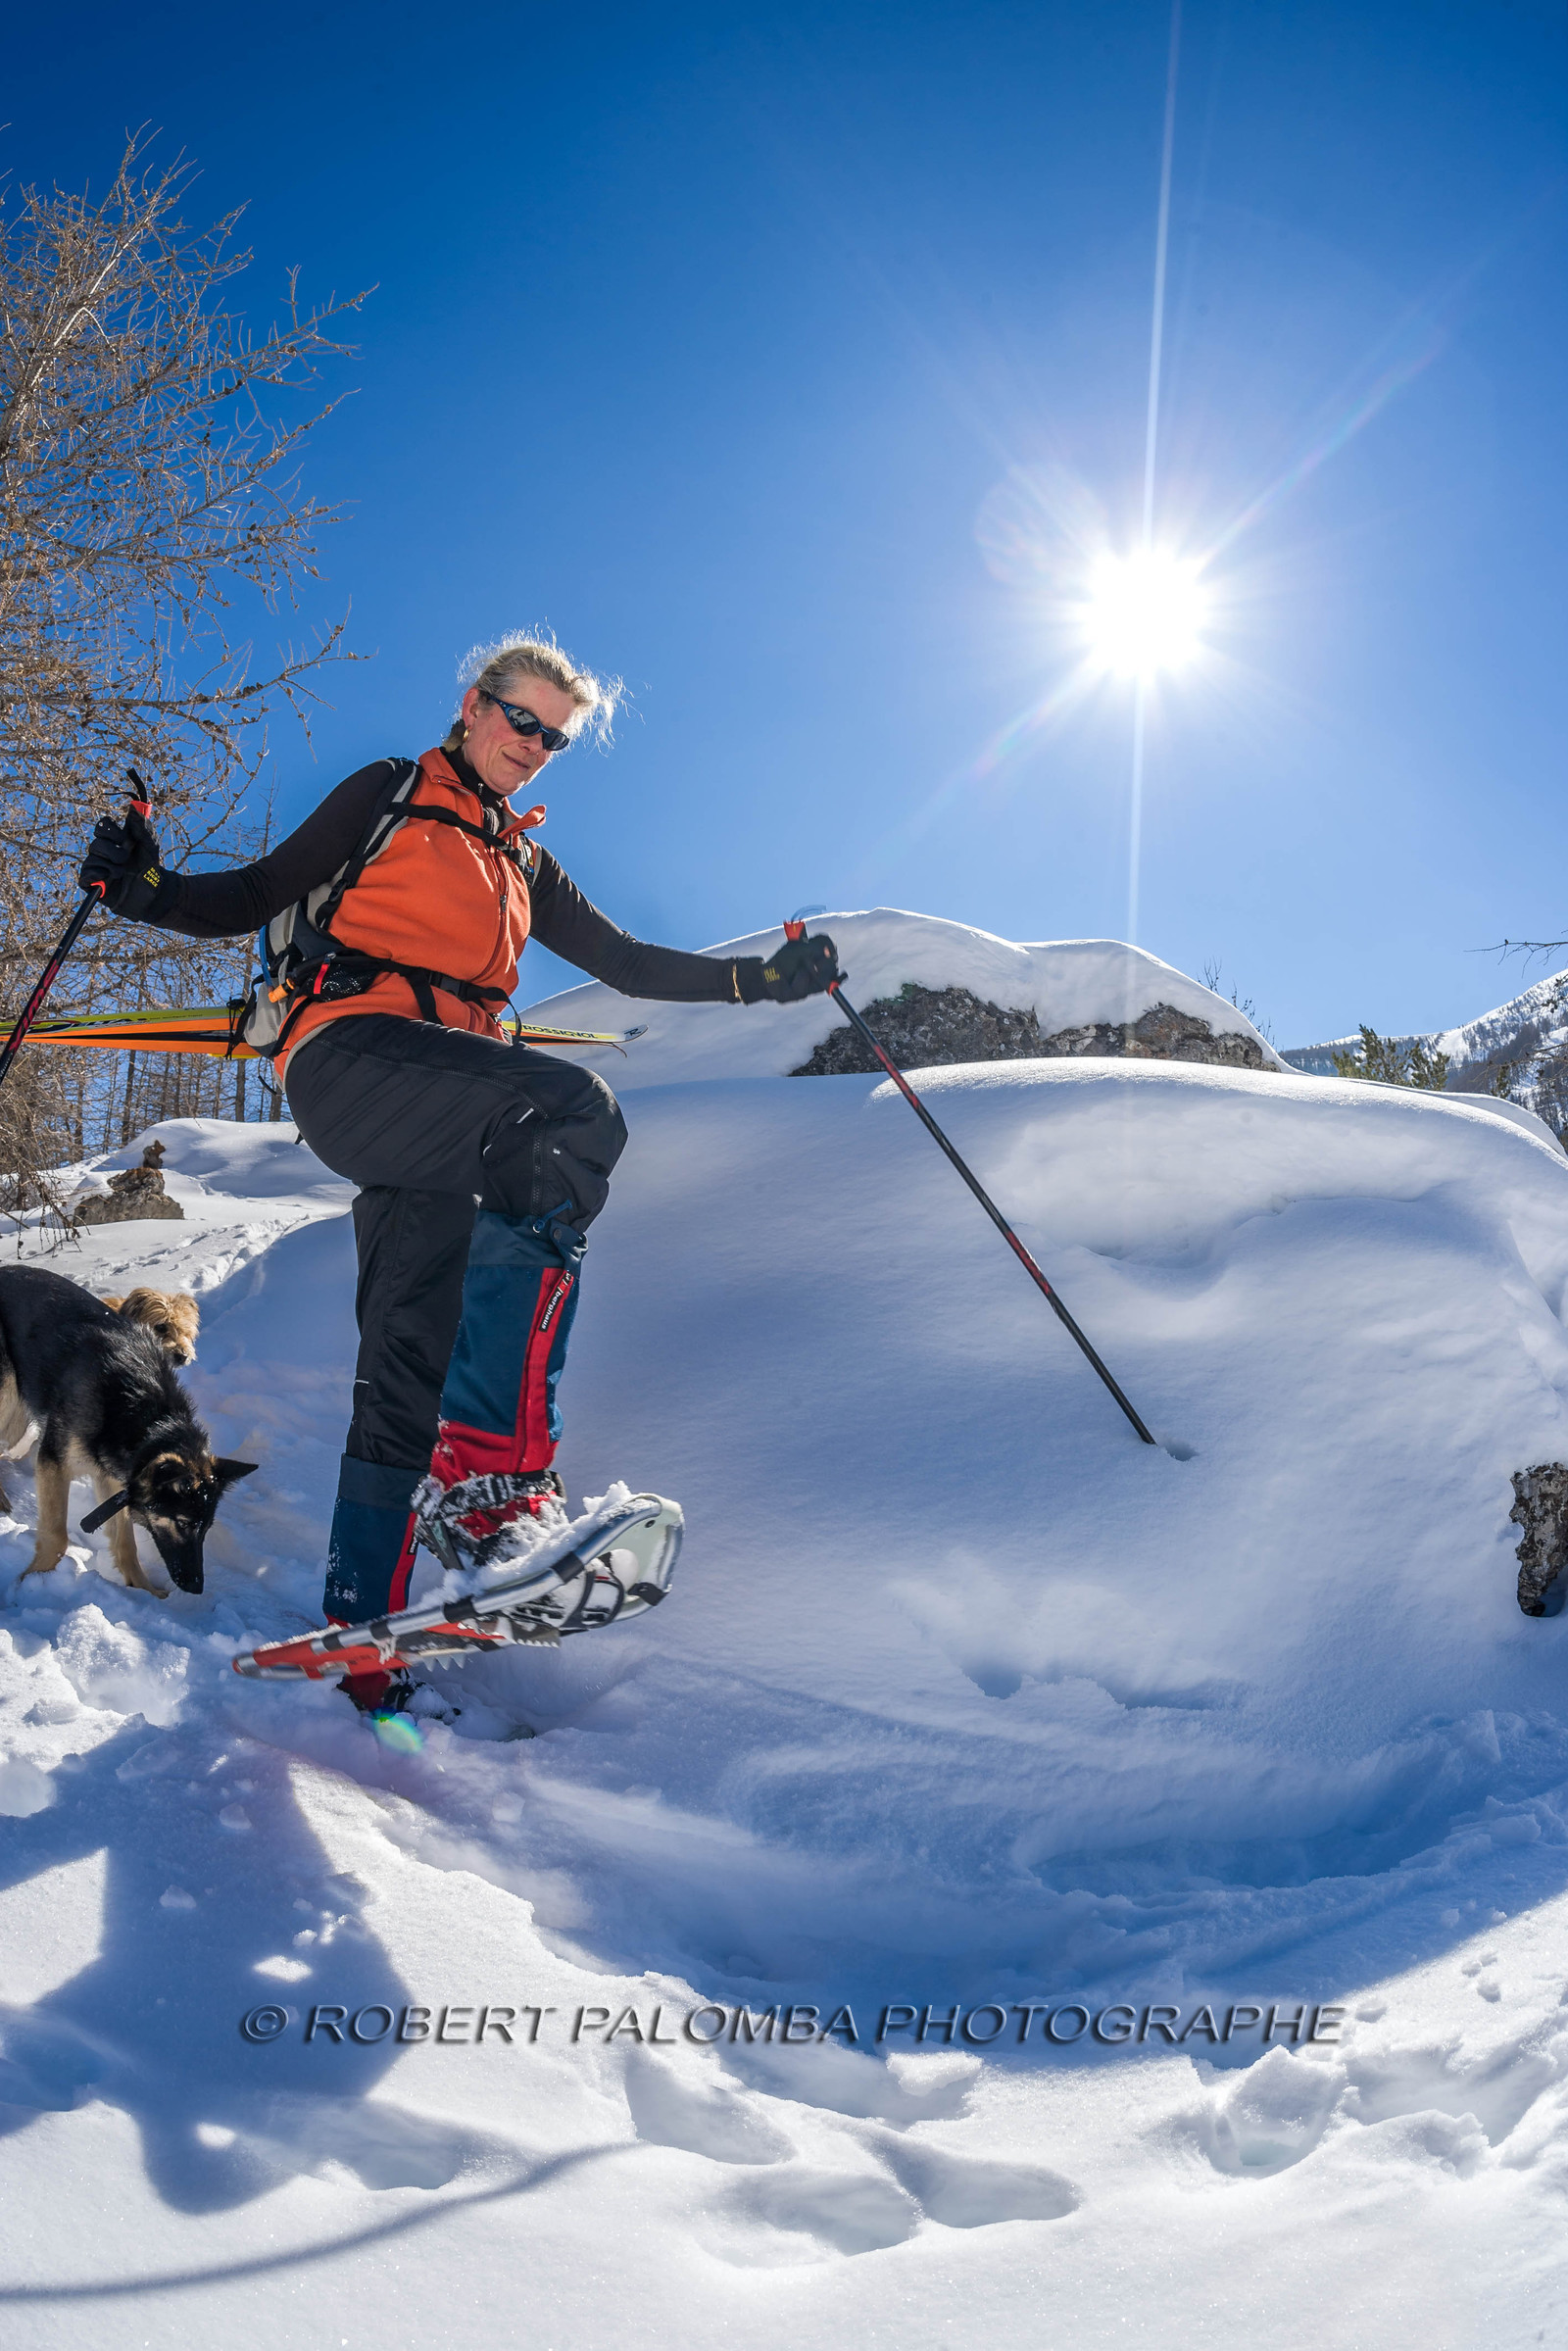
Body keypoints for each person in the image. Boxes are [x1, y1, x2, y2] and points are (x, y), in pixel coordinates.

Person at [78, 635, 839, 1712]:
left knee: (405, 1362)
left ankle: (361, 1642)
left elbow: (627, 961)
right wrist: (144, 887)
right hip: (350, 1058)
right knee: (570, 1109)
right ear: (473, 706)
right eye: (519, 720)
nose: (533, 746)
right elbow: (254, 892)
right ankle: (493, 1477)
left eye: (554, 738)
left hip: (442, 1104)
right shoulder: (391, 791)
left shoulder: (521, 856)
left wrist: (760, 980)